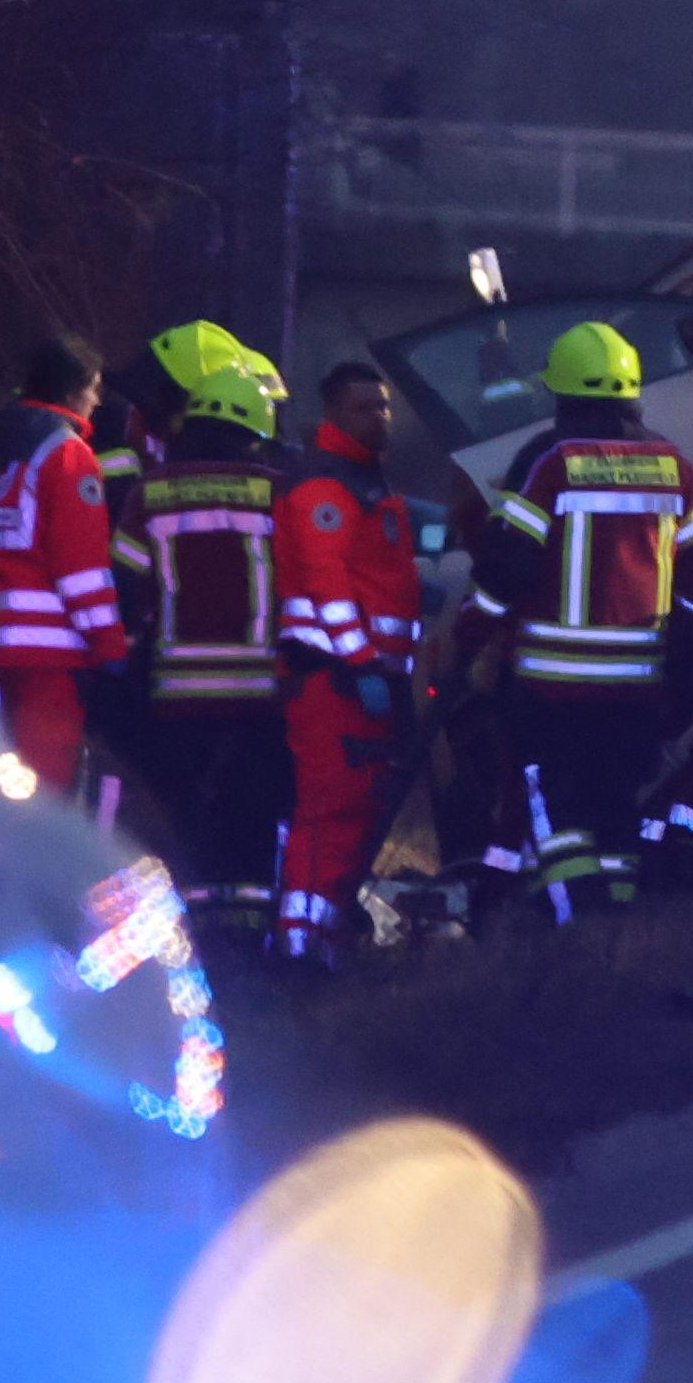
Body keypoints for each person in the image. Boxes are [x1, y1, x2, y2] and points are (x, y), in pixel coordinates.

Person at [466, 319, 693, 919]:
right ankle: (616, 923)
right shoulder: (672, 464)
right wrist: (687, 630)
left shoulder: (549, 460)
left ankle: (575, 923)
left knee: (559, 811)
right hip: (639, 686)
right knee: (616, 807)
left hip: (554, 689)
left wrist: (473, 627)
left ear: (562, 391)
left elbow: (507, 563)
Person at [102, 319, 302, 903]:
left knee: (179, 822)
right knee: (251, 820)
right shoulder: (279, 495)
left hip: (175, 694)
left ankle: (188, 925)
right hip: (259, 695)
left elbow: (124, 586)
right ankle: (249, 927)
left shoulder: (150, 493)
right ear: (258, 430)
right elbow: (300, 585)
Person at [267, 354, 429, 970]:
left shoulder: (364, 479)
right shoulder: (323, 484)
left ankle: (325, 942)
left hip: (365, 680)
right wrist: (362, 663)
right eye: (365, 408)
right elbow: (326, 582)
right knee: (327, 812)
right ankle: (298, 946)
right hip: (332, 678)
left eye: (384, 407)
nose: (379, 418)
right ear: (333, 413)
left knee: (356, 814)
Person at [0, 332, 124, 810]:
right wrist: (110, 645)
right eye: (94, 388)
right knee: (44, 798)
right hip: (48, 660)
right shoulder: (68, 455)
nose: (97, 401)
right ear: (73, 391)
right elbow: (81, 571)